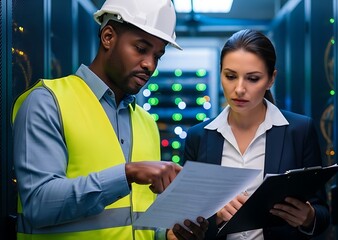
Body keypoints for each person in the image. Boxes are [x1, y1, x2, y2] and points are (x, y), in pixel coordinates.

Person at [11, 0, 208, 239]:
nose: (150, 65)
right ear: (108, 37)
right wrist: (127, 174)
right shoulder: (47, 102)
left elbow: (137, 218)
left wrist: (165, 234)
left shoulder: (147, 123)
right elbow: (39, 204)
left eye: (158, 55)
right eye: (141, 48)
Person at [183, 29, 330, 240]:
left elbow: (322, 214)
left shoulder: (299, 131)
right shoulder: (199, 137)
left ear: (271, 79)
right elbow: (184, 216)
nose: (239, 89)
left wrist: (308, 217)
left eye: (253, 78)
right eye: (230, 76)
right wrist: (213, 215)